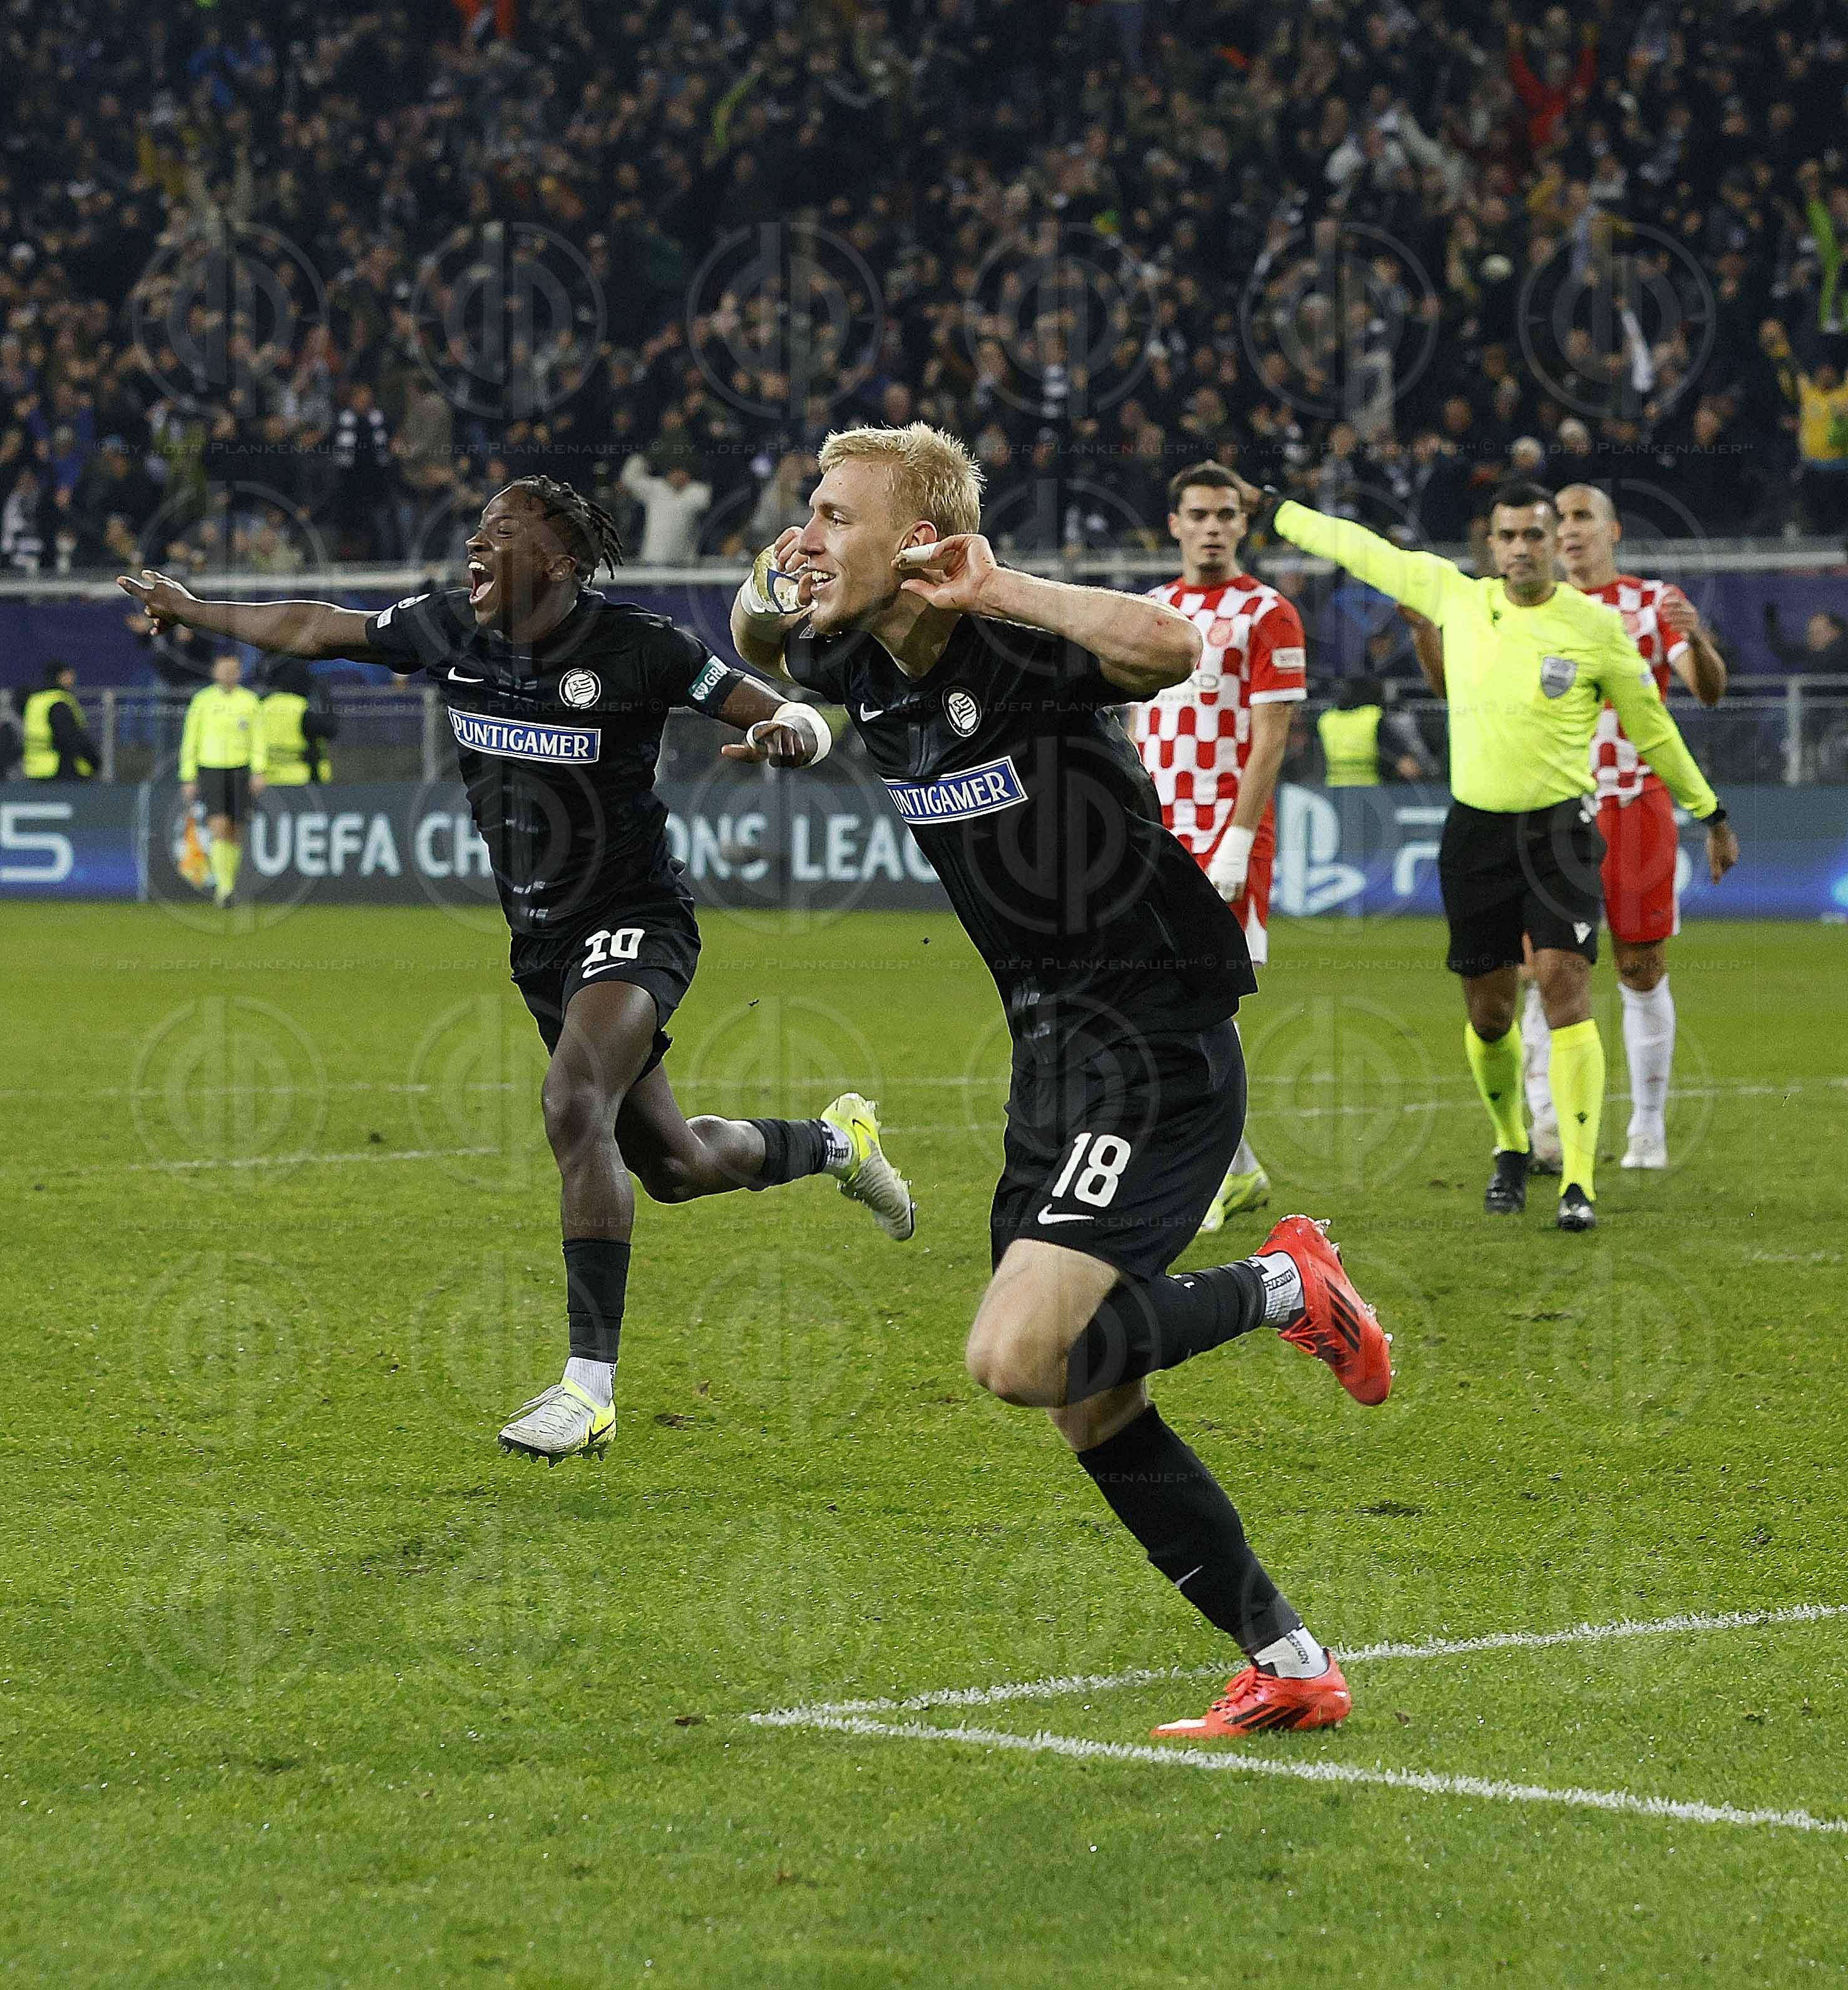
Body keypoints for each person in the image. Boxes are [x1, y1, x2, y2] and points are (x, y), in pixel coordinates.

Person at [729, 423, 1392, 1742]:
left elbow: (1170, 648)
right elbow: (763, 638)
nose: (813, 533)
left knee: (1016, 1353)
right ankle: (1291, 1656)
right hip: (1049, 1052)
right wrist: (782, 591)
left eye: (838, 514)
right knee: (1089, 1394)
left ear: (923, 544)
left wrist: (997, 582)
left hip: (1154, 1033)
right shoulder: (852, 651)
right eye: (810, 511)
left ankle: (1282, 1282)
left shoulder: (1009, 640)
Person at [120, 476, 914, 1462]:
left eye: (501, 532)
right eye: (477, 530)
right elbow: (325, 626)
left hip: (636, 919)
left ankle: (588, 1390)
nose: (475, 545)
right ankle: (840, 1144)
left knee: (572, 1097)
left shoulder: (641, 646)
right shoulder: (452, 626)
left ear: (561, 562)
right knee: (671, 1164)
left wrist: (792, 735)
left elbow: (781, 710)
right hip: (541, 941)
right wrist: (194, 606)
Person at [1241, 471, 1737, 1232]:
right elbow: (1360, 548)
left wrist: (1711, 810)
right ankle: (1510, 1145)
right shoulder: (1456, 597)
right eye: (1507, 536)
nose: (1522, 548)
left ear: (1551, 544)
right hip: (1477, 834)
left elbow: (1654, 727)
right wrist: (1277, 510)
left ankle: (1578, 1181)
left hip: (1564, 832)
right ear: (1491, 545)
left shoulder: (1596, 626)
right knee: (1491, 1015)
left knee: (1566, 987)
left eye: (1535, 534)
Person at [1511, 487, 1728, 1172]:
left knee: (1640, 966)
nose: (1569, 532)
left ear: (1613, 530)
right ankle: (1546, 1129)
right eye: (1560, 521)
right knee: (1542, 970)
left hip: (1634, 803)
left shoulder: (1648, 603)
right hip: (1550, 806)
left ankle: (1649, 1125)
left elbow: (1707, 688)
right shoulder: (1530, 603)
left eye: (1581, 519)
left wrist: (1694, 636)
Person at [1132, 460, 1308, 1230]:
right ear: (1173, 523)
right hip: (1157, 831)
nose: (1211, 527)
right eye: (1197, 513)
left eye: (1225, 514)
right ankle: (1233, 1168)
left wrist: (1239, 842)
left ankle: (1204, 1172)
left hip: (1225, 833)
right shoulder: (1151, 609)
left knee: (1198, 1000)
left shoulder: (1267, 613)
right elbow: (1136, 724)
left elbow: (1271, 737)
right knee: (1167, 1001)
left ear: (1243, 524)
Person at [177, 653, 267, 907]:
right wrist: (188, 776)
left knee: (236, 829)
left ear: (239, 673)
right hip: (211, 768)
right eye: (224, 669)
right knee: (218, 825)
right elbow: (190, 740)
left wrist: (259, 771)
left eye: (233, 670)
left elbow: (258, 738)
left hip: (240, 770)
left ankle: (228, 883)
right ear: (215, 672)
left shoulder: (250, 701)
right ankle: (225, 889)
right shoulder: (202, 701)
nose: (229, 674)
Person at [1317, 674, 1429, 785]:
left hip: (1334, 793)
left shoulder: (1326, 719)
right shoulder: (1373, 717)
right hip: (1370, 793)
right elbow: (1407, 766)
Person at [260, 657, 339, 784]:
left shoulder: (262, 706)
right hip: (302, 779)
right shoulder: (301, 708)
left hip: (268, 779)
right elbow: (330, 730)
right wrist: (325, 699)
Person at [21, 660, 98, 781]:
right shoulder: (58, 702)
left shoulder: (35, 700)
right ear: (61, 676)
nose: (73, 678)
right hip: (61, 772)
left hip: (35, 770)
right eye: (69, 674)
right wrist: (94, 761)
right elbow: (71, 737)